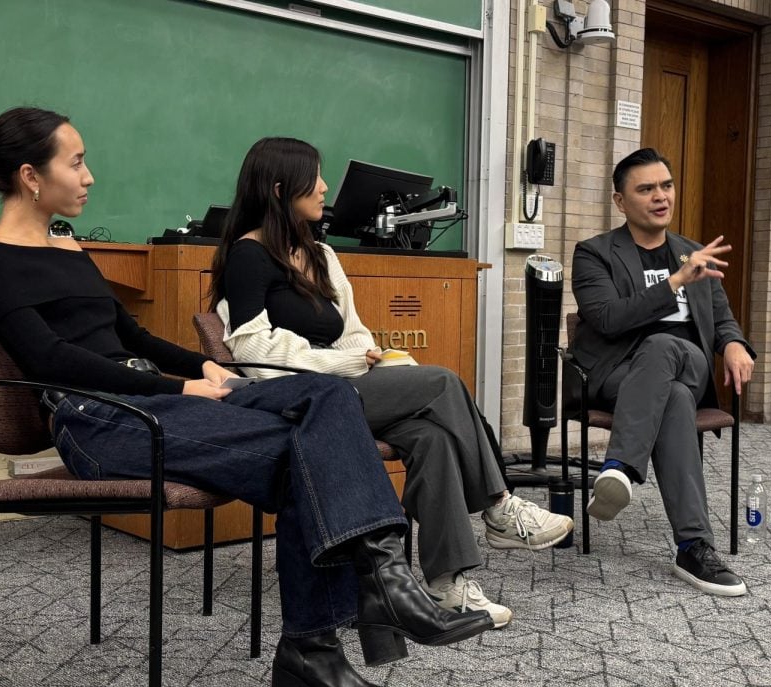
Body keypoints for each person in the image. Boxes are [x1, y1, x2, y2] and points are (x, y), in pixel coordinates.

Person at [0, 107, 494, 687]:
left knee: (329, 399)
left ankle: (356, 615)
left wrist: (204, 366)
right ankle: (339, 631)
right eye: (76, 162)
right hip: (98, 420)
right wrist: (178, 390)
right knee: (307, 457)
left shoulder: (66, 247)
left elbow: (132, 336)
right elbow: (50, 357)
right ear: (30, 176)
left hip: (151, 402)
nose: (89, 175)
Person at [209, 137, 574, 628]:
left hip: (346, 389)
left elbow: (353, 330)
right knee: (443, 382)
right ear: (279, 189)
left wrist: (373, 357)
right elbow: (253, 352)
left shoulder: (320, 254)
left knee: (435, 437)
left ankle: (448, 585)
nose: (323, 188)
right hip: (296, 399)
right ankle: (499, 506)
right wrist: (348, 364)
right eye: (313, 178)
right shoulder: (248, 255)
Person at [570, 147, 756, 597]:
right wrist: (674, 282)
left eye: (666, 186)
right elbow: (607, 319)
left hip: (688, 364)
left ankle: (620, 468)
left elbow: (722, 317)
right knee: (670, 397)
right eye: (646, 188)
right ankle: (693, 546)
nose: (660, 196)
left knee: (666, 347)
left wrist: (732, 343)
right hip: (618, 374)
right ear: (620, 201)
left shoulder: (693, 252)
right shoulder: (594, 254)